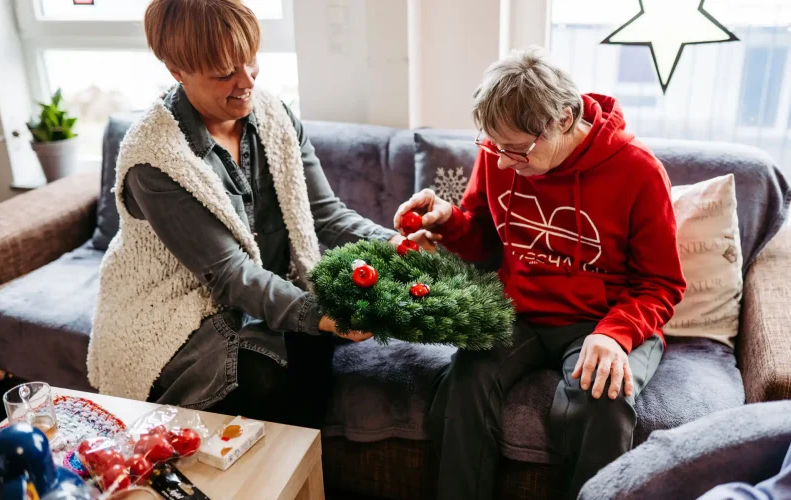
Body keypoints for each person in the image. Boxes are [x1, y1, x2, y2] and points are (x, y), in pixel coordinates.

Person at [87, 0, 415, 428]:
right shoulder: (155, 157)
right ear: (177, 71)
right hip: (175, 311)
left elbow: (323, 213)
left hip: (256, 293)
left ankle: (302, 466)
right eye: (225, 73)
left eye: (251, 61)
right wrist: (322, 314)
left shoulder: (275, 115)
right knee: (262, 373)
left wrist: (395, 244)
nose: (247, 82)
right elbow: (230, 275)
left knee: (311, 344)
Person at [395, 46, 687, 499]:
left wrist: (614, 335)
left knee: (602, 404)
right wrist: (448, 220)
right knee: (463, 383)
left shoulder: (639, 172)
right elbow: (485, 241)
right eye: (494, 146)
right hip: (522, 312)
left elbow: (661, 284)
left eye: (516, 150)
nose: (502, 161)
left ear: (563, 120)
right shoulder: (499, 153)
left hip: (607, 320)